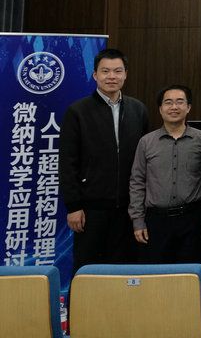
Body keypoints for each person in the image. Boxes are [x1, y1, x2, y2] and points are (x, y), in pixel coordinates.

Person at [60, 48, 150, 272]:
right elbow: (67, 163)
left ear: (126, 74)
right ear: (95, 75)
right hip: (91, 209)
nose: (112, 76)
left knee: (124, 270)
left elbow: (145, 159)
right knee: (87, 269)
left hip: (128, 209)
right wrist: (74, 206)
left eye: (117, 71)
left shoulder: (138, 109)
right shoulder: (77, 111)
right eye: (105, 71)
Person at [128, 84, 201, 264]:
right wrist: (138, 221)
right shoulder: (146, 142)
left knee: (190, 273)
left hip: (192, 219)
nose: (174, 107)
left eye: (180, 102)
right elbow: (137, 182)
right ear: (160, 109)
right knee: (157, 274)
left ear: (188, 107)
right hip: (156, 221)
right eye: (168, 102)